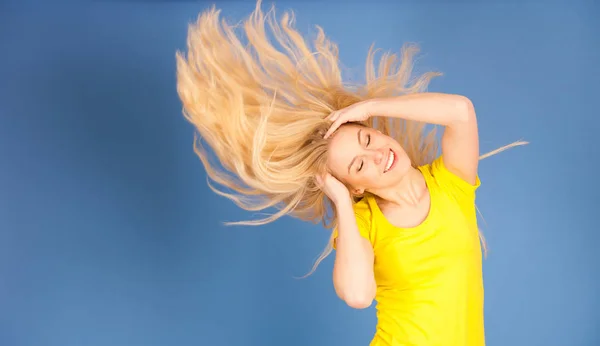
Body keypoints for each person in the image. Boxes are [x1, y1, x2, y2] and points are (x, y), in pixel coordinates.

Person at [175, 1, 526, 345]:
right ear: (356, 186)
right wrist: (341, 201)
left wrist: (370, 105)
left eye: (367, 137)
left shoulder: (451, 183)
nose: (376, 155)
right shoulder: (362, 222)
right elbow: (358, 295)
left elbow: (461, 111)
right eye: (359, 165)